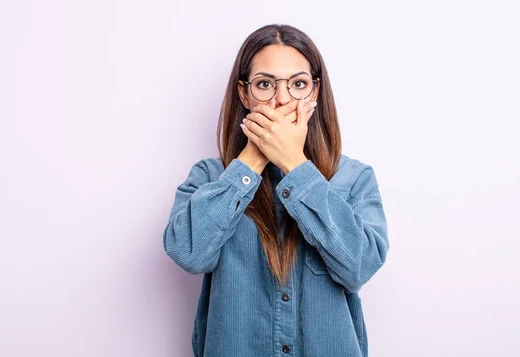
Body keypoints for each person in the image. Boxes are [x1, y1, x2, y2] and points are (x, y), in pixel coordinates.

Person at [163, 23, 389, 357]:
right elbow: (188, 253)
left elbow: (361, 267)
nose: (281, 99)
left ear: (314, 92)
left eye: (297, 84)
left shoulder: (353, 178)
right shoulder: (210, 177)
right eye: (265, 84)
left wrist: (294, 164)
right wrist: (253, 157)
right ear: (244, 94)